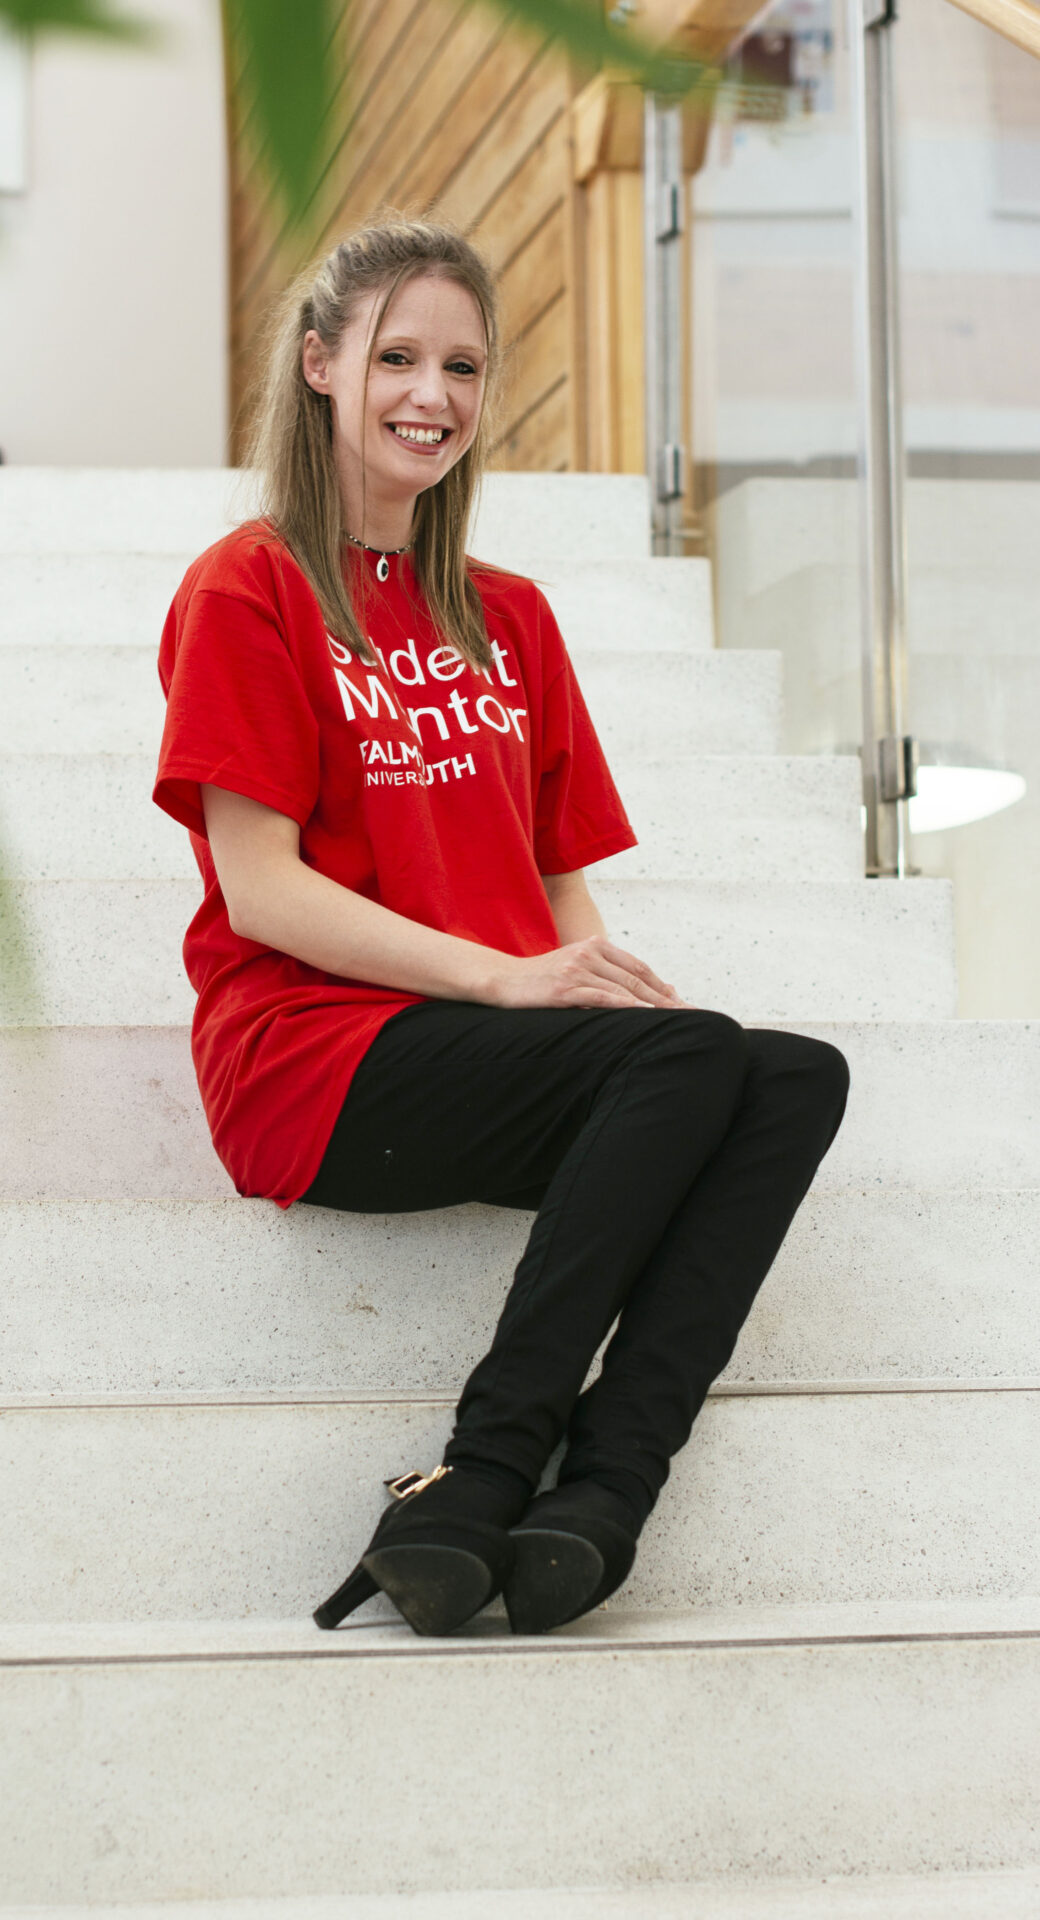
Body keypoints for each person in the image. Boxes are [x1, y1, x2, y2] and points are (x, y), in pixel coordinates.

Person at [152, 213, 850, 1640]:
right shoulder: (251, 586)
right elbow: (263, 889)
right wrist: (514, 984)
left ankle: (602, 1497)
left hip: (487, 1040)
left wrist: (615, 1009)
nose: (433, 395)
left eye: (462, 366)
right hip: (317, 1059)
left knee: (785, 1074)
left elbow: (556, 884)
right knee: (693, 1059)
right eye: (396, 357)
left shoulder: (508, 618)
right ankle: (482, 1469)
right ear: (320, 365)